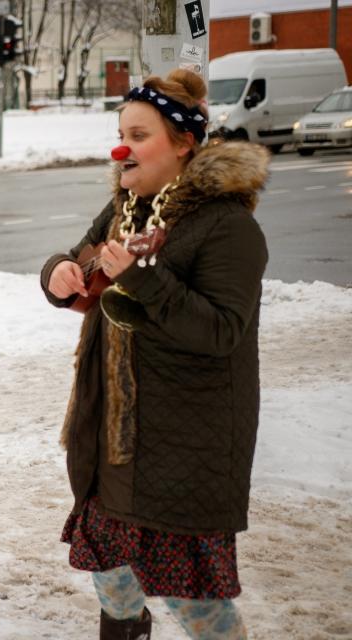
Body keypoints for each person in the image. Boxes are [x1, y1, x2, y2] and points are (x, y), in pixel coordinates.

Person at [40, 69, 269, 639]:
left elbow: (221, 331)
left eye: (139, 135)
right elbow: (80, 264)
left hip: (183, 446)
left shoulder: (228, 226)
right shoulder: (125, 207)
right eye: (121, 133)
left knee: (192, 601)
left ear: (184, 142)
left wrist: (142, 278)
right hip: (112, 437)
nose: (123, 147)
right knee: (112, 576)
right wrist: (59, 274)